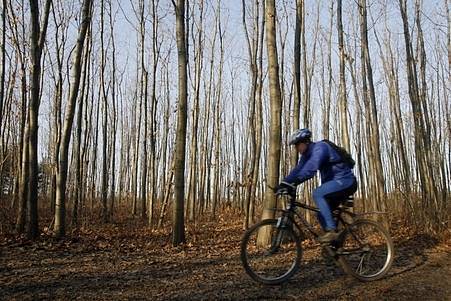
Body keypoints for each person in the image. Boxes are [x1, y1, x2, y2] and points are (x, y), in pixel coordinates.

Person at [275, 128, 357, 243]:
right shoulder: (306, 156)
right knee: (321, 215)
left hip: (346, 181)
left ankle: (332, 231)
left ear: (306, 141)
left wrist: (294, 182)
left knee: (317, 193)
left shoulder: (320, 147)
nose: (296, 148)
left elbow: (310, 170)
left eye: (297, 145)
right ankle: (335, 246)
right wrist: (284, 183)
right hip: (336, 185)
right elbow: (298, 170)